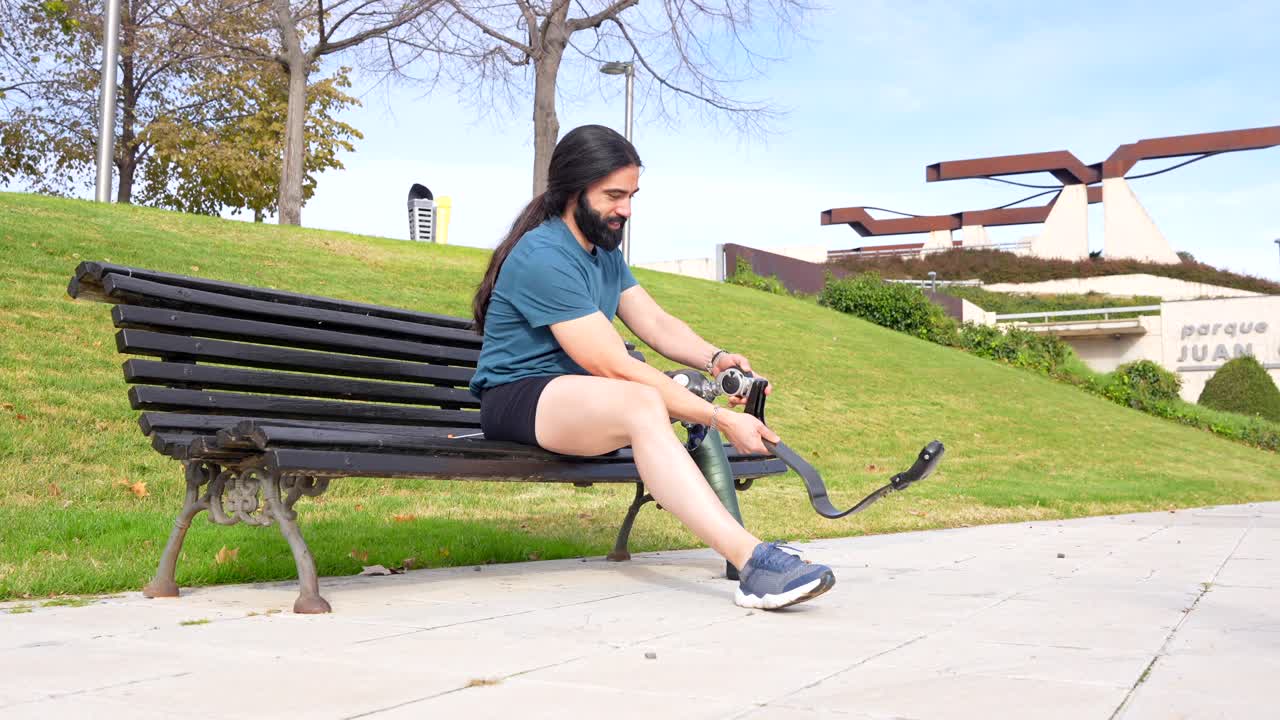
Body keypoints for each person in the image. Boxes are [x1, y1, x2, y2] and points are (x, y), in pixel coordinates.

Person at [469, 125, 835, 610]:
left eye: (632, 195)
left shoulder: (603, 253)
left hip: (576, 399)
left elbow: (657, 324)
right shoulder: (543, 255)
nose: (626, 209)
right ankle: (752, 563)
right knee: (646, 398)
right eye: (614, 195)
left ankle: (744, 554)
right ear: (571, 191)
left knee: (674, 389)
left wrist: (714, 358)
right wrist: (722, 418)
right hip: (518, 399)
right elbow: (613, 366)